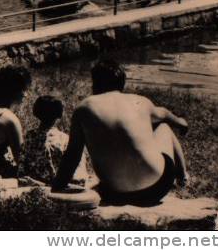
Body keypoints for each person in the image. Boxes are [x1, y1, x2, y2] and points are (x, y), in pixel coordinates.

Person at [52, 60, 188, 205]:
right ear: (122, 83)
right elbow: (164, 114)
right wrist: (181, 122)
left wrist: (58, 186)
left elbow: (73, 155)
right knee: (163, 127)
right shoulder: (141, 101)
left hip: (114, 192)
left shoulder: (84, 108)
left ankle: (181, 179)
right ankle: (183, 178)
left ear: (95, 83)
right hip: (157, 188)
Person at [20, 95, 86, 185]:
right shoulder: (65, 139)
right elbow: (78, 175)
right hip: (59, 186)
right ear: (59, 114)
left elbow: (22, 167)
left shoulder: (29, 137)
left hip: (32, 185)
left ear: (36, 112)